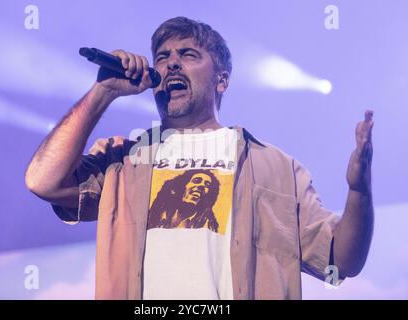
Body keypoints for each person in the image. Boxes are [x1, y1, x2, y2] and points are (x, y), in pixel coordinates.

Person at [25, 16, 374, 300]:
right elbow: (43, 181)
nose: (172, 62)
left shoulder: (277, 169)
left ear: (221, 80)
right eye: (162, 57)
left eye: (189, 55)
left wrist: (358, 189)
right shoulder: (122, 162)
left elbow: (340, 260)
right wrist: (102, 92)